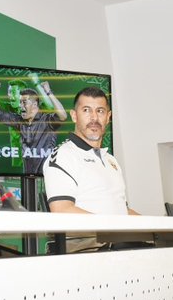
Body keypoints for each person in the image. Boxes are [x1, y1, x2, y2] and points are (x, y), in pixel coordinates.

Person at [43, 86, 138, 215]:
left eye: (100, 111)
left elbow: (123, 210)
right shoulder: (62, 156)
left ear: (108, 117)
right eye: (86, 110)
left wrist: (155, 227)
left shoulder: (111, 160)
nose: (94, 118)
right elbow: (62, 210)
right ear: (74, 116)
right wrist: (111, 228)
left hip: (118, 234)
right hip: (91, 236)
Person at [0, 78, 67, 174]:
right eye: (20, 102)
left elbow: (63, 116)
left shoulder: (47, 120)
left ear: (34, 104)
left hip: (47, 179)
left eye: (24, 102)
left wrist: (49, 92)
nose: (21, 106)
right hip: (27, 177)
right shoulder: (19, 121)